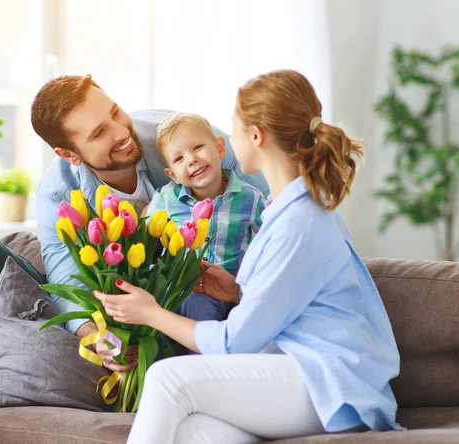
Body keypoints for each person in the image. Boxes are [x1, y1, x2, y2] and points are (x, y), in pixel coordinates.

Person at [93, 70, 403, 443]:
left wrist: (151, 313)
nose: (229, 136)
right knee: (195, 432)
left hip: (327, 382)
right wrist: (239, 292)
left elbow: (231, 344)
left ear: (255, 136)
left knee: (167, 377)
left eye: (233, 128)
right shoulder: (288, 209)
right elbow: (290, 299)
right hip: (301, 373)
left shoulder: (298, 221)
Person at [30, 75, 268, 373]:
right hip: (157, 306)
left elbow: (275, 199)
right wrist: (98, 337)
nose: (121, 132)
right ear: (68, 154)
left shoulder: (179, 140)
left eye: (115, 112)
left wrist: (243, 292)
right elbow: (65, 280)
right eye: (100, 132)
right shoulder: (56, 195)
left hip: (226, 288)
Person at [146, 111, 265, 323]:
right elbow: (145, 230)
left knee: (210, 309)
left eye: (197, 147)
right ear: (172, 174)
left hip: (228, 288)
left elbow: (270, 240)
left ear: (220, 148)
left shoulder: (250, 198)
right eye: (179, 158)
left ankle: (211, 352)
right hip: (182, 286)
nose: (192, 160)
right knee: (177, 306)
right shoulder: (166, 199)